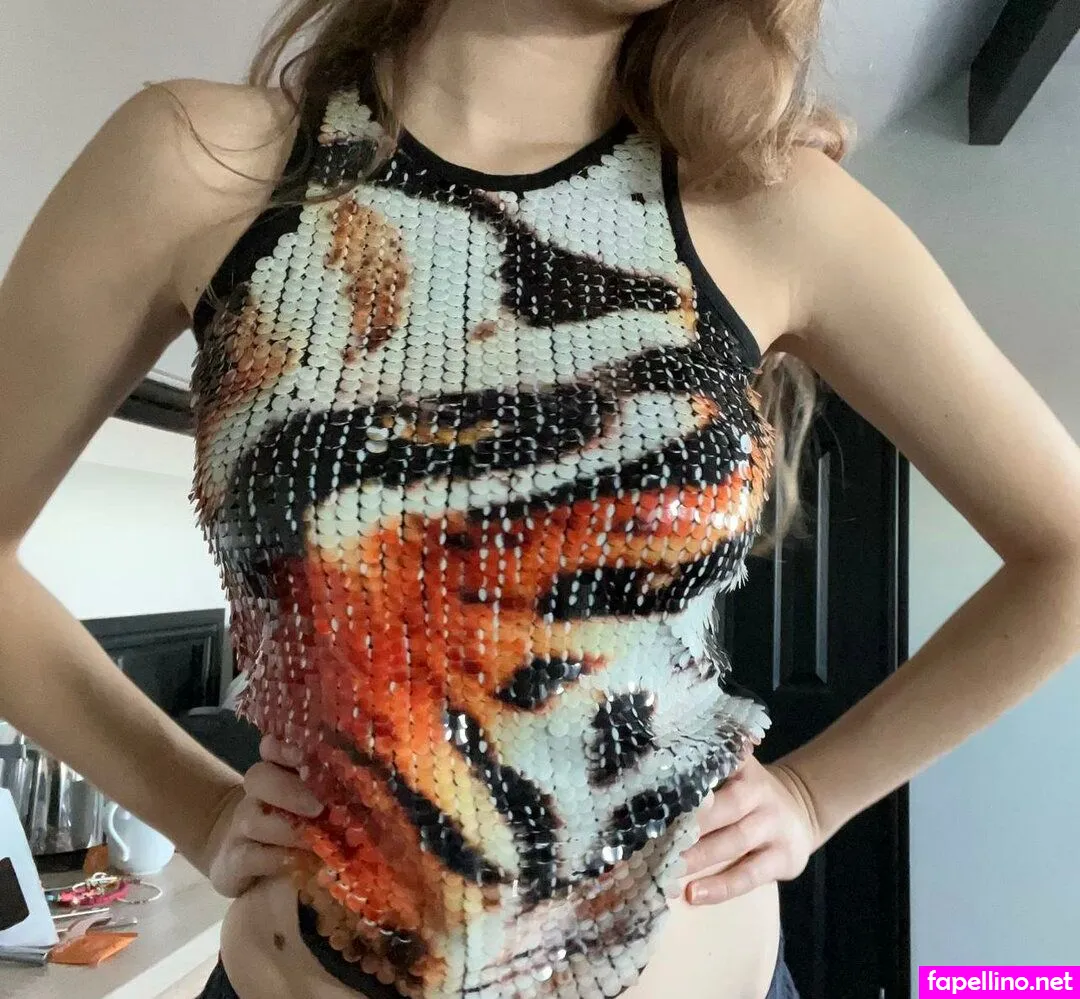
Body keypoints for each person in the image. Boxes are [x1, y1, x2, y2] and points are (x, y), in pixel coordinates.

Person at [2, 1, 1079, 998]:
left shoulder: (768, 202)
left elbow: (1064, 551)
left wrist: (814, 795)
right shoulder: (202, 161)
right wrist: (196, 809)